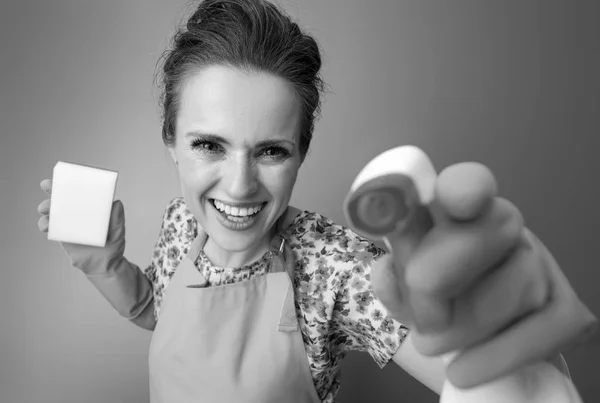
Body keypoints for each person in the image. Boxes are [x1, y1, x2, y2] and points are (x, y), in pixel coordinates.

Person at [37, 0, 596, 402]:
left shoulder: (336, 265)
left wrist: (521, 357)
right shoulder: (182, 221)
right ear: (171, 143)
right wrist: (103, 263)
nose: (238, 187)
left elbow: (476, 378)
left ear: (301, 154)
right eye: (209, 145)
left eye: (271, 151)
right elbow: (159, 314)